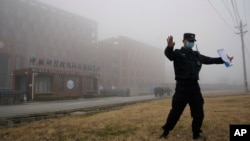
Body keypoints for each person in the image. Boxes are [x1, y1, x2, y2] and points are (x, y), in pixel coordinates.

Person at [159, 33, 233, 140]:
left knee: (199, 113)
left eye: (193, 41)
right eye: (189, 41)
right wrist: (169, 47)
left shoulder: (196, 55)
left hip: (194, 88)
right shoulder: (178, 53)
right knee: (175, 112)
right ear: (183, 41)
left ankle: (196, 134)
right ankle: (165, 132)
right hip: (182, 88)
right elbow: (169, 55)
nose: (191, 43)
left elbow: (210, 60)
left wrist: (225, 59)